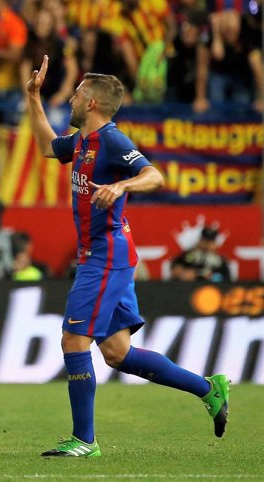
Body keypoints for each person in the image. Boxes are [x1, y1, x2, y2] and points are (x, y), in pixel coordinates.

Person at [25, 55, 230, 457]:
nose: (71, 98)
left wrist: (122, 188)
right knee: (117, 353)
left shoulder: (113, 141)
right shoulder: (81, 142)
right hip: (104, 255)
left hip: (106, 256)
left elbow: (155, 175)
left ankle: (84, 441)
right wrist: (32, 97)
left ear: (92, 104)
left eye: (78, 93)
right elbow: (47, 148)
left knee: (73, 338)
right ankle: (209, 389)